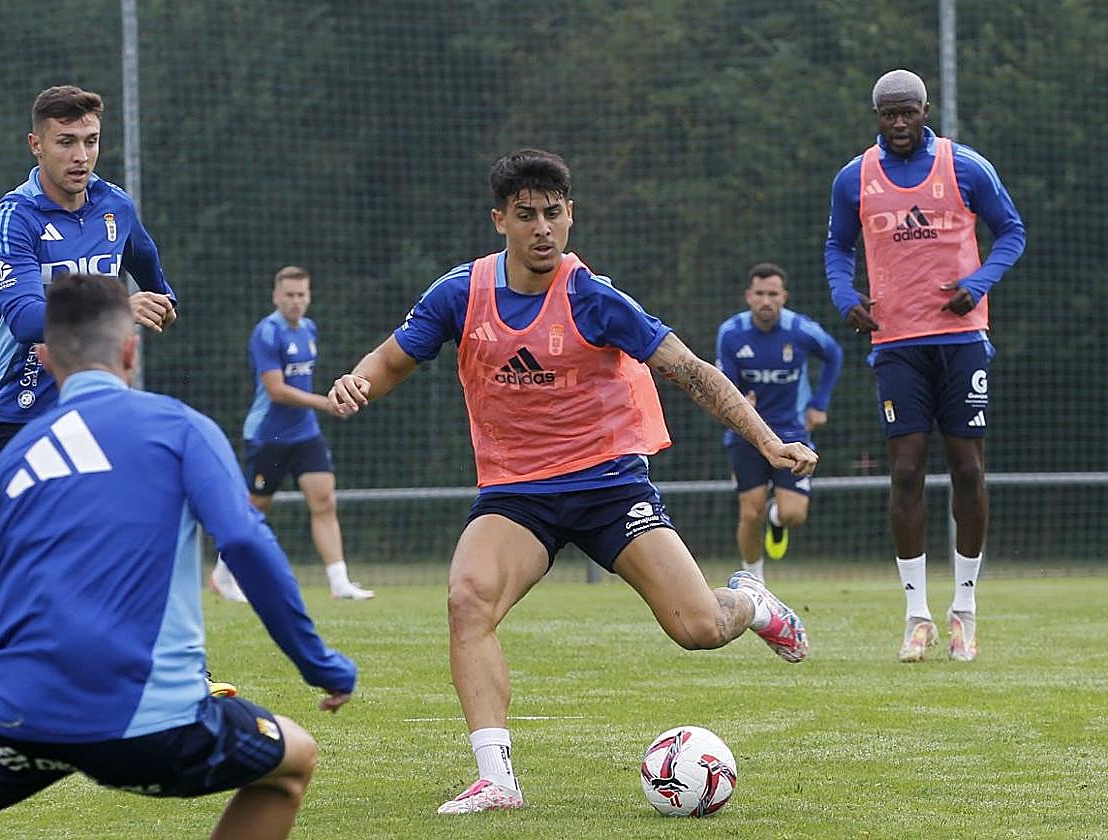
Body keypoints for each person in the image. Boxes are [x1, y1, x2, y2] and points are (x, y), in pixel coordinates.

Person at [328, 149, 817, 815]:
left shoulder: (593, 297)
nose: (542, 229)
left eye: (553, 214)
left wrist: (768, 441)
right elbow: (390, 359)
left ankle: (752, 603)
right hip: (516, 494)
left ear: (571, 217)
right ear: (499, 219)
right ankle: (497, 778)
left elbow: (690, 367)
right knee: (467, 601)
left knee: (698, 627)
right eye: (525, 215)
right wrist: (358, 381)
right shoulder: (460, 293)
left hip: (610, 485)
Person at [0, 274, 357, 840]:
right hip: (147, 728)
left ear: (45, 360)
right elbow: (244, 543)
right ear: (130, 349)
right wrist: (322, 666)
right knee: (292, 762)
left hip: (13, 718)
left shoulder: (14, 457)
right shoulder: (181, 429)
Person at [0, 85, 196, 726]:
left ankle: (170, 664)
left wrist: (162, 301)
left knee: (140, 518)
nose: (81, 155)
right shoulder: (12, 217)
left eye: (91, 140)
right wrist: (123, 307)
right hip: (21, 411)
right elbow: (26, 314)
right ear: (36, 144)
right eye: (66, 142)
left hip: (95, 409)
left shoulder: (115, 207)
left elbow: (151, 271)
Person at [824, 69, 1026, 662]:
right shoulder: (853, 178)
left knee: (967, 468)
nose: (899, 123)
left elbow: (1010, 232)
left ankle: (964, 609)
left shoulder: (965, 166)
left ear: (926, 109)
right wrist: (845, 297)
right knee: (906, 471)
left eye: (908, 112)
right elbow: (838, 246)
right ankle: (917, 616)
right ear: (877, 116)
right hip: (896, 344)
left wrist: (979, 281)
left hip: (962, 339)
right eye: (889, 114)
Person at [210, 266, 373, 602]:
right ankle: (223, 574)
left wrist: (318, 408)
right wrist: (326, 404)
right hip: (269, 435)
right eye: (290, 295)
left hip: (305, 433)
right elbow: (276, 391)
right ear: (276, 296)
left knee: (324, 500)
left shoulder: (309, 330)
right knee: (256, 509)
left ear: (309, 296)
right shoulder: (267, 332)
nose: (296, 301)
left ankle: (339, 581)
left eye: (302, 295)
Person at [715, 263, 842, 582]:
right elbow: (723, 381)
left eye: (773, 294)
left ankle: (776, 520)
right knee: (750, 510)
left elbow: (834, 355)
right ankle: (754, 584)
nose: (766, 301)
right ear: (748, 296)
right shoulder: (731, 333)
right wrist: (740, 401)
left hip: (792, 431)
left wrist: (819, 404)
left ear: (784, 297)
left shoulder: (801, 330)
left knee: (792, 514)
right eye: (760, 294)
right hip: (747, 433)